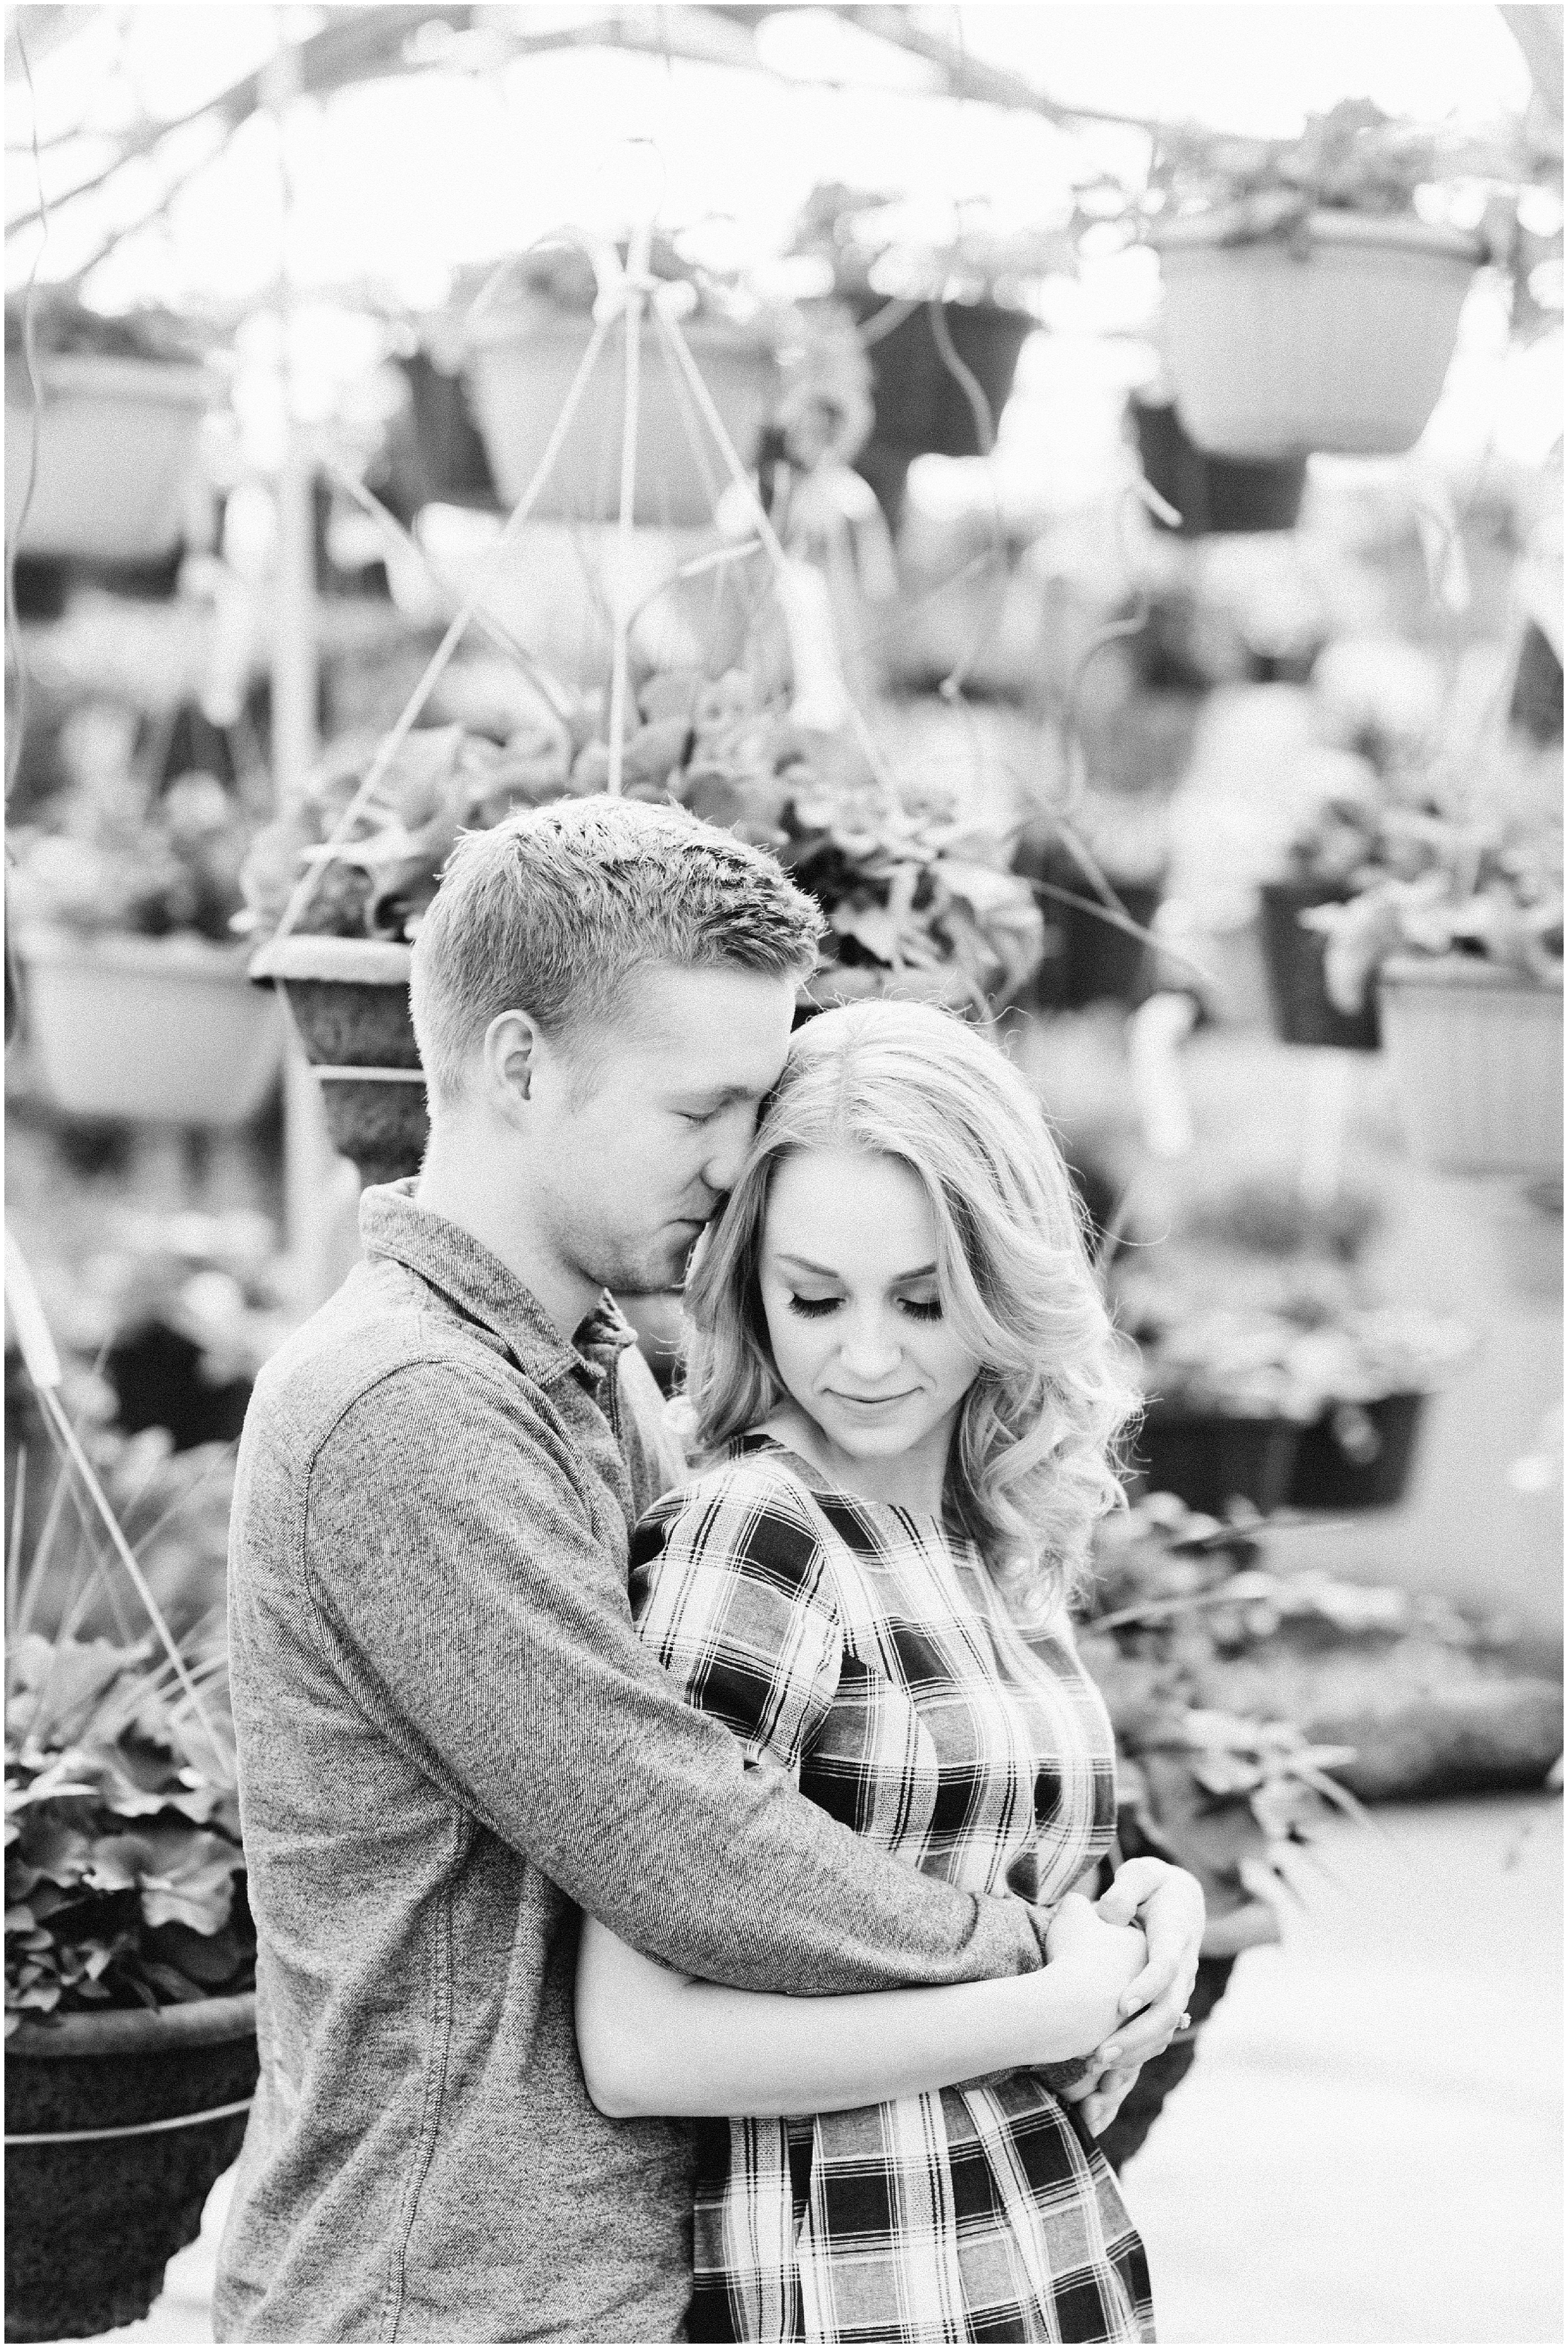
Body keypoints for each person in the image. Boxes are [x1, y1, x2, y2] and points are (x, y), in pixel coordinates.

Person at [215, 797, 1200, 2343]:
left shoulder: (587, 1378)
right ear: (520, 1065)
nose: (739, 1160)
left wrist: (1127, 1907)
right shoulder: (402, 1406)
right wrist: (1028, 1956)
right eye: (701, 1110)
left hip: (600, 2283)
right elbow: (674, 1828)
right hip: (444, 2295)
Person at [576, 1000, 1197, 2342]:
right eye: (813, 1297)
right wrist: (1038, 2009)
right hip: (856, 2290)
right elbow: (639, 2047)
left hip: (1041, 2264)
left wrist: (1149, 1913)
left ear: (1000, 1279)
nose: (864, 1357)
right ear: (747, 1282)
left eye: (923, 1301)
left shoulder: (988, 1531)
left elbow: (1004, 1888)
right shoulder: (757, 1536)